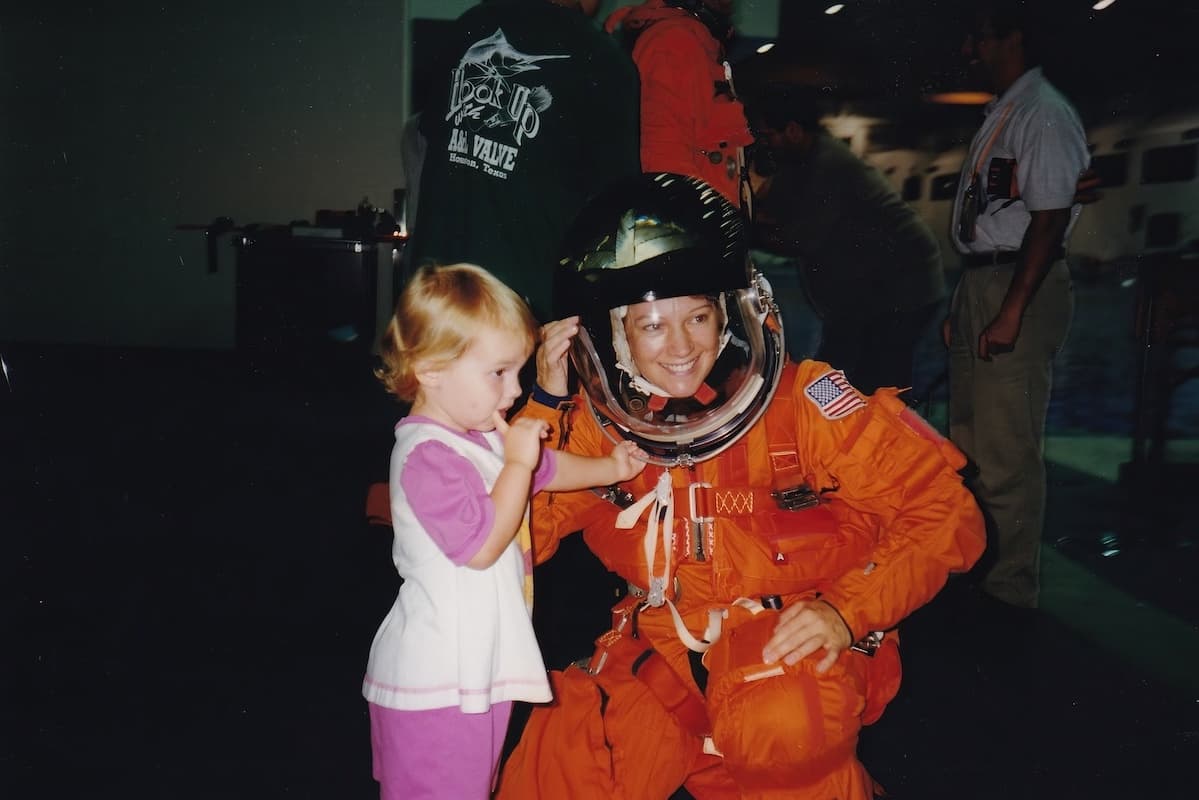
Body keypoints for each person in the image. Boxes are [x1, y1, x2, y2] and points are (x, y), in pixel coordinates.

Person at [494, 173, 985, 799]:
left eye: (698, 316)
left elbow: (945, 514)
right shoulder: (595, 426)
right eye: (651, 326)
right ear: (615, 335)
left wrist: (846, 611)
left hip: (786, 646)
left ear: (733, 313)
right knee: (559, 767)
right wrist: (541, 408)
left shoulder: (805, 406)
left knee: (780, 723)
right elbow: (501, 538)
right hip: (663, 647)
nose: (681, 348)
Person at [361, 262, 648, 800]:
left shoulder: (478, 438)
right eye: (498, 373)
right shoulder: (426, 456)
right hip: (437, 682)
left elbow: (549, 468)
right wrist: (517, 463)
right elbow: (483, 546)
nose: (514, 391)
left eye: (518, 372)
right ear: (429, 368)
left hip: (475, 670)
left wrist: (611, 469)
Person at [944, 0, 1089, 612]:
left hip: (1016, 283)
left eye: (980, 38)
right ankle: (978, 562)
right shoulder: (1006, 115)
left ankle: (1009, 589)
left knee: (1006, 449)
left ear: (1014, 40)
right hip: (986, 280)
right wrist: (971, 298)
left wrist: (1011, 310)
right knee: (970, 441)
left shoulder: (1044, 114)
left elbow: (1049, 220)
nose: (969, 50)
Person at [406, 0, 641, 320]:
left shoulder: (470, 23)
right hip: (524, 316)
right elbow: (616, 213)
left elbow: (422, 144)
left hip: (435, 299)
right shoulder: (607, 61)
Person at [747, 85, 946, 395]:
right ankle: (842, 432)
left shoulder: (828, 164)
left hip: (903, 286)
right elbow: (769, 210)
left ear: (793, 130)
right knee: (841, 370)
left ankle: (877, 438)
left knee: (874, 381)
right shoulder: (799, 163)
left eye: (768, 134)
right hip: (867, 293)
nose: (764, 143)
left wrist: (746, 229)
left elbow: (796, 239)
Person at [605, 0, 754, 207]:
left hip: (709, 223)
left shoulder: (695, 43)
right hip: (693, 226)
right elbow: (665, 163)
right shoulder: (674, 42)